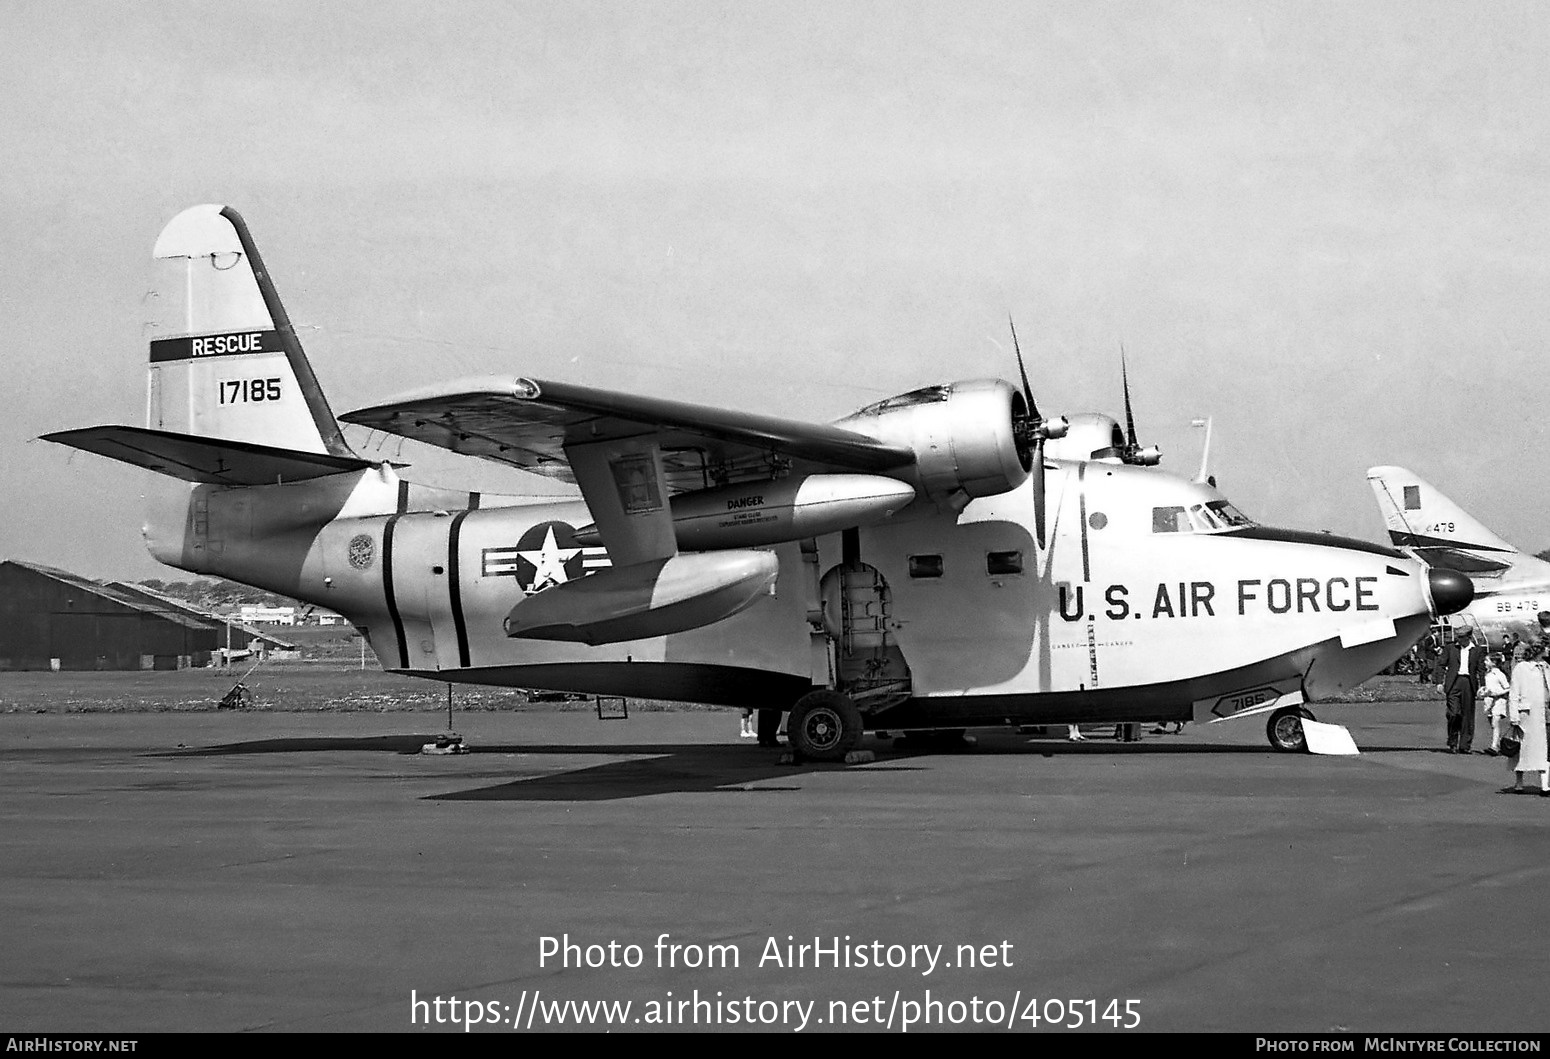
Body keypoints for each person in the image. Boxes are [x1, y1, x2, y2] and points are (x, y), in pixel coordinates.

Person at [1502, 641, 1550, 794]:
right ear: (1539, 650)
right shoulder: (1521, 668)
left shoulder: (1547, 667)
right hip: (1527, 714)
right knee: (1521, 749)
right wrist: (1514, 715)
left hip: (1545, 712)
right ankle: (1519, 782)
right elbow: (1514, 693)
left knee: (1544, 749)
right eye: (1546, 648)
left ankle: (1544, 785)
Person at [1438, 628, 1484, 753]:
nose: (1459, 641)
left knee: (1467, 715)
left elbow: (1481, 669)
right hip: (1454, 682)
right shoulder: (1450, 648)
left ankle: (1465, 745)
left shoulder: (1477, 650)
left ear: (1468, 637)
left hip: (1468, 682)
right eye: (1458, 638)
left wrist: (1482, 685)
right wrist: (1439, 682)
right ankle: (1452, 741)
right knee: (1453, 713)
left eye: (1462, 638)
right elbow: (1441, 664)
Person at [1480, 654, 1511, 756]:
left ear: (1493, 663)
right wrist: (1483, 691)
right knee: (1492, 725)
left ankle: (1494, 747)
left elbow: (1507, 688)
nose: (1485, 662)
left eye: (1487, 661)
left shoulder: (1499, 674)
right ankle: (1497, 744)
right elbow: (1488, 687)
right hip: (1489, 701)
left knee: (1495, 722)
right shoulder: (1487, 674)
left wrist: (1497, 693)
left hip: (1499, 701)